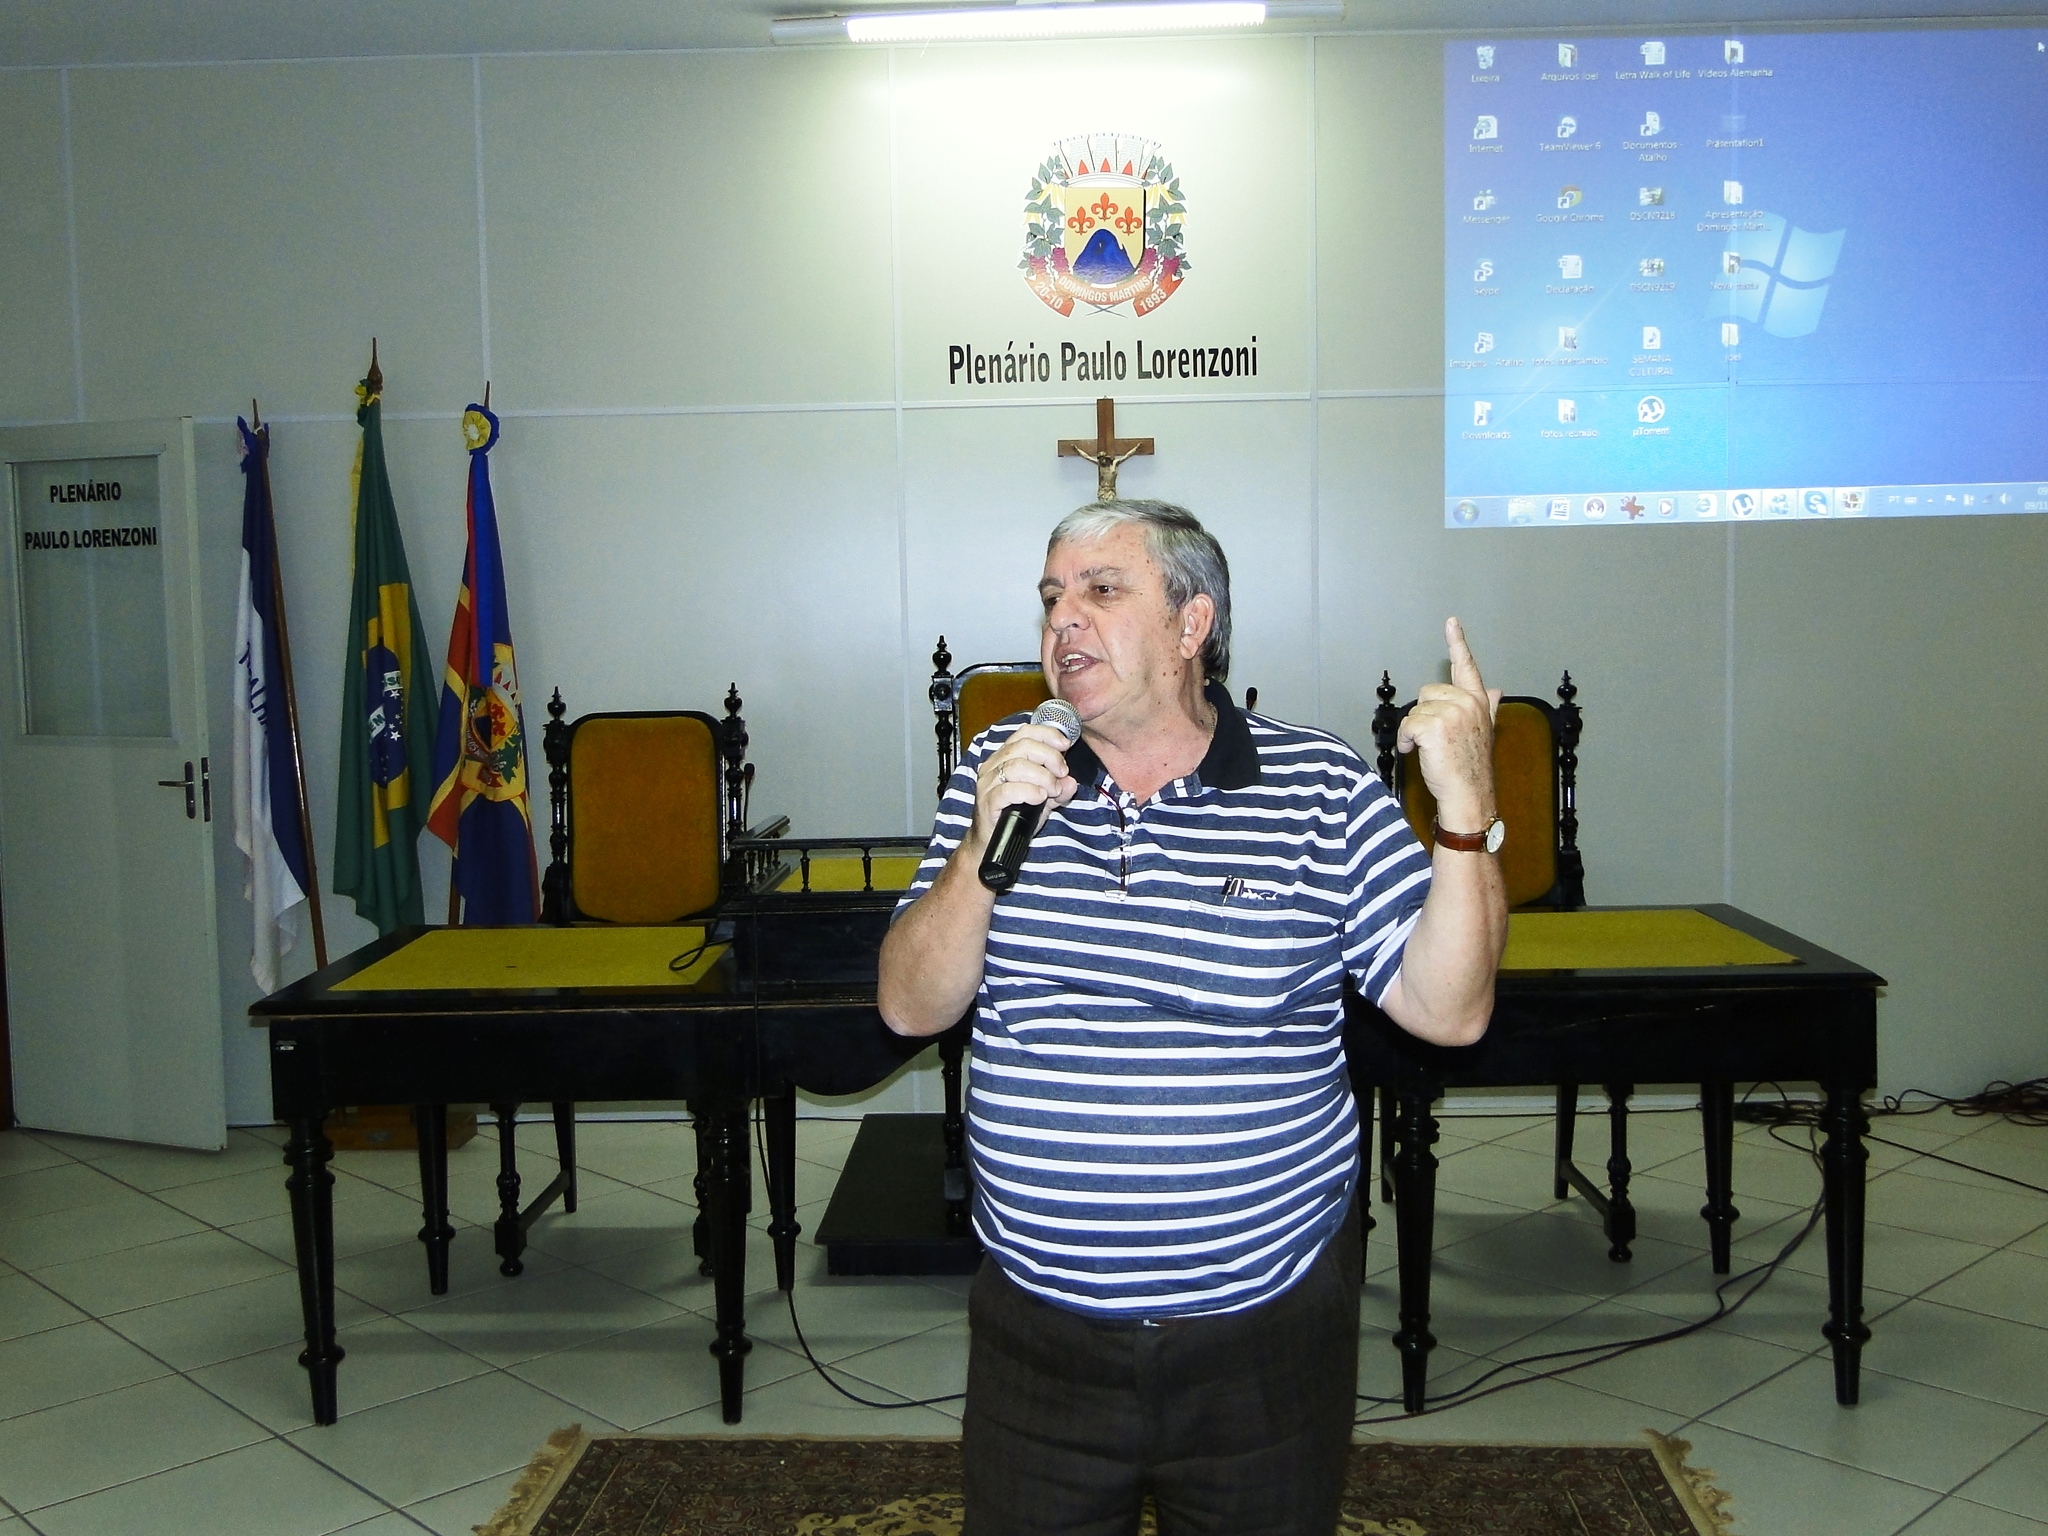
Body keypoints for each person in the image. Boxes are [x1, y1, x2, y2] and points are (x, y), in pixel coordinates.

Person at [878, 500, 1506, 1536]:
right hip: (1040, 1335)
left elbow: (1450, 1011)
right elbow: (907, 1005)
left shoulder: (1318, 789)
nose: (1060, 623)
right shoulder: (998, 774)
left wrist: (1464, 812)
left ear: (1190, 623)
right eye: (1049, 598)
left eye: (1100, 591)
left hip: (1263, 1337)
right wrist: (979, 852)